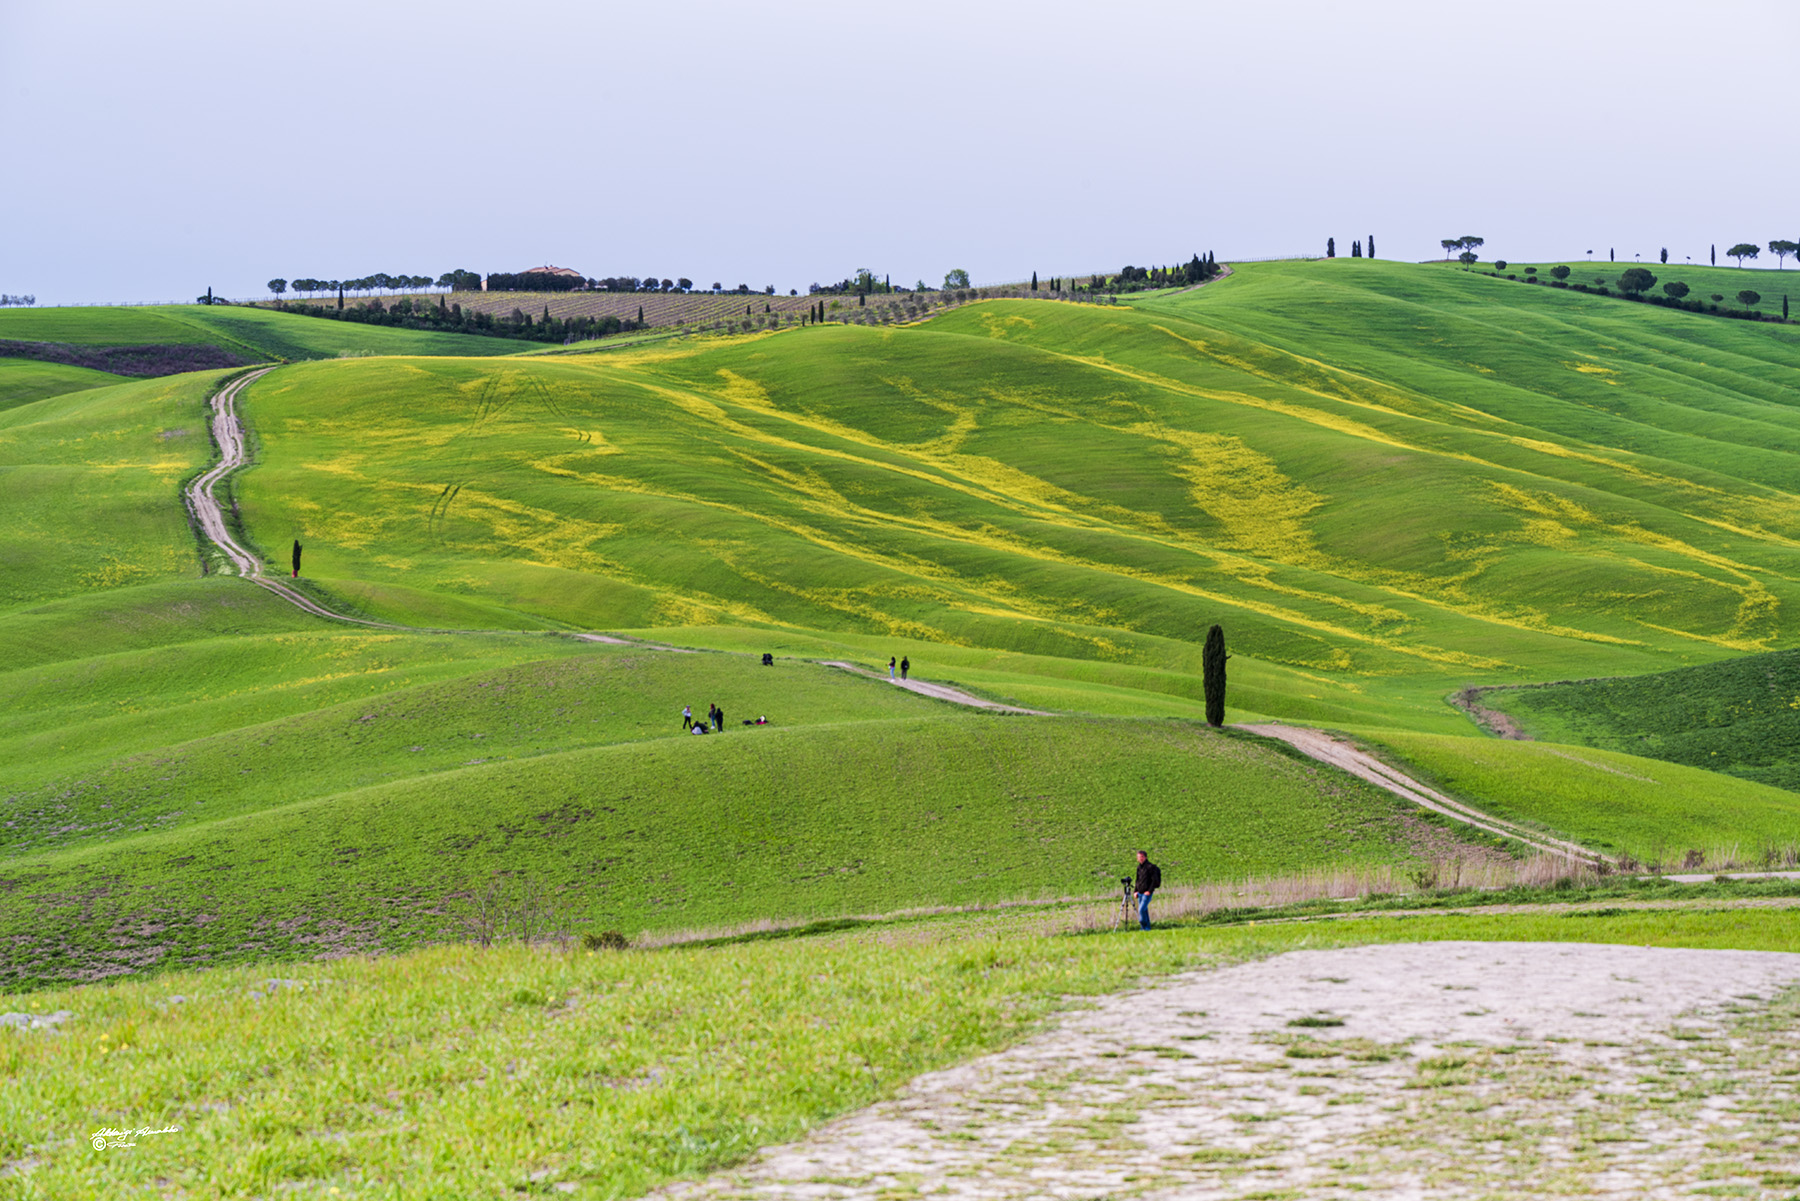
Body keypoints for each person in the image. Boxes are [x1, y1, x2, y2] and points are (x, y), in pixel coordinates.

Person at [1134, 850, 1161, 930]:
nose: (1140, 859)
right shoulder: (1139, 868)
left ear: (1145, 857)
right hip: (1140, 893)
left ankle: (1143, 926)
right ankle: (1147, 928)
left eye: (1142, 857)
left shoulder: (1150, 867)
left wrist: (1149, 891)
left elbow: (1154, 880)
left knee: (1141, 910)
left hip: (1147, 893)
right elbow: (1137, 880)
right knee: (1144, 911)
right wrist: (1135, 891)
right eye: (1138, 857)